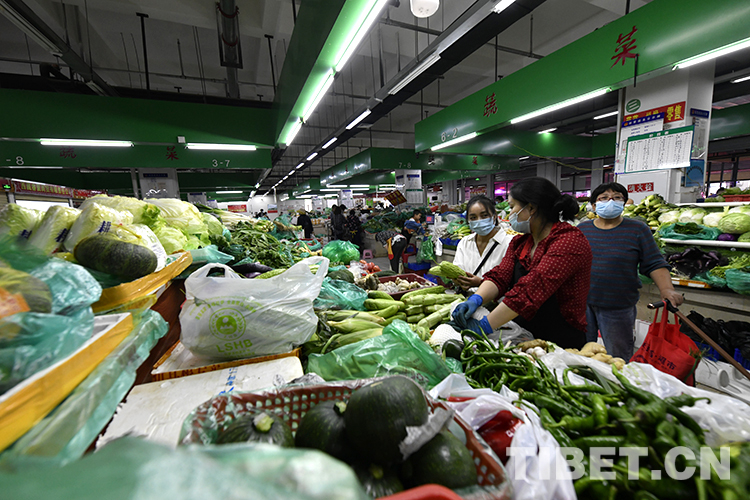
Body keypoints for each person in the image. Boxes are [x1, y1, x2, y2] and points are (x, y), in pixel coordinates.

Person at [451, 177, 592, 349]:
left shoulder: (568, 241)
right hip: (522, 332)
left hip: (560, 337)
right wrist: (476, 299)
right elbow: (500, 276)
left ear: (531, 208)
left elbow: (530, 290)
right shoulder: (521, 242)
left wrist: (485, 326)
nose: (510, 214)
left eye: (512, 207)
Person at [578, 182, 683, 360]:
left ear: (624, 203)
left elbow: (654, 262)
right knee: (580, 354)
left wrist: (667, 289)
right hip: (582, 304)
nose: (610, 201)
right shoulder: (582, 229)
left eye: (617, 198)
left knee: (617, 357)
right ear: (594, 206)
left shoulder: (638, 230)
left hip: (618, 306)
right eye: (604, 198)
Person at [453, 195, 513, 291]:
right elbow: (457, 273)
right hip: (466, 297)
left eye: (484, 216)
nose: (479, 221)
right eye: (473, 217)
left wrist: (480, 283)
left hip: (496, 300)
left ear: (494, 216)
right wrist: (457, 280)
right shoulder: (465, 242)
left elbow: (511, 283)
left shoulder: (510, 243)